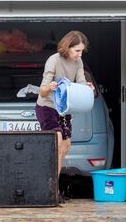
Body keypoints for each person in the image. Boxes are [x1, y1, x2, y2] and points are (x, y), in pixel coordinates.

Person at [35, 31, 94, 203]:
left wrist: (87, 86)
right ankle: (50, 189)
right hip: (47, 106)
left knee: (66, 147)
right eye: (77, 51)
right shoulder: (53, 61)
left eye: (82, 51)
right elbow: (42, 90)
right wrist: (51, 86)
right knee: (58, 141)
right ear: (67, 48)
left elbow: (81, 82)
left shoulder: (79, 61)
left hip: (64, 107)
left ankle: (53, 185)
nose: (80, 54)